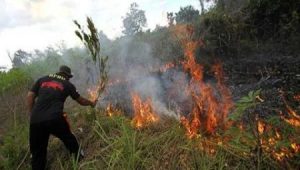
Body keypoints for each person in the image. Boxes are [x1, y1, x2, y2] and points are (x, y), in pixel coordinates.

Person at [27, 65, 97, 170]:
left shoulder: (42, 79)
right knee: (69, 138)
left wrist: (32, 113)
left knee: (38, 153)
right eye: (69, 77)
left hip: (36, 120)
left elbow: (30, 96)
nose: (69, 79)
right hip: (55, 118)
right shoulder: (67, 84)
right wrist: (91, 103)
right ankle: (80, 159)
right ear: (66, 75)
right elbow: (81, 100)